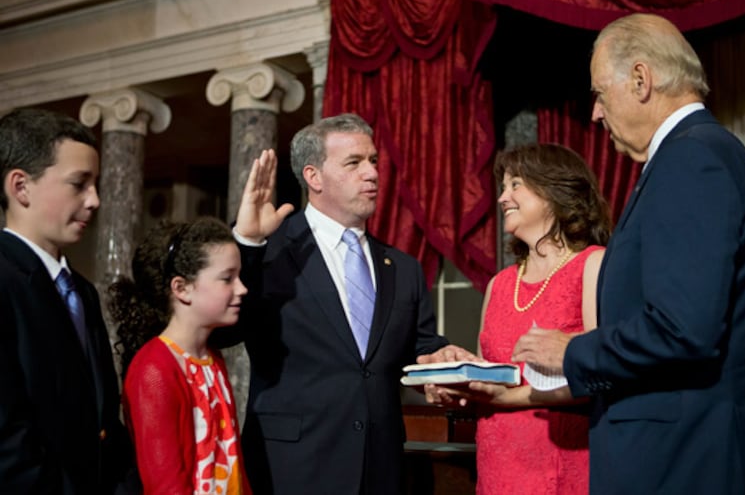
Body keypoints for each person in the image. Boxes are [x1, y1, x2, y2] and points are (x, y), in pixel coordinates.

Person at [512, 13, 745, 494]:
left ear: (641, 79)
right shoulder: (705, 152)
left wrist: (572, 351)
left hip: (683, 460)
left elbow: (683, 329)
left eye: (601, 94)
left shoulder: (692, 158)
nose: (596, 114)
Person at [217, 112, 475, 495]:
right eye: (353, 163)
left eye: (373, 161)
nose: (371, 173)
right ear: (313, 177)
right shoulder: (271, 251)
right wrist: (248, 245)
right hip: (292, 466)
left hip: (381, 465)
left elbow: (415, 348)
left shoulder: (402, 268)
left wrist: (441, 357)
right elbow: (226, 331)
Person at [425, 143, 610, 494]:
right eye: (503, 187)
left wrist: (506, 398)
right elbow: (491, 377)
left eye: (515, 185)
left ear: (554, 190)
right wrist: (455, 383)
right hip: (496, 467)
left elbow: (601, 373)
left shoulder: (592, 265)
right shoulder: (499, 284)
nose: (502, 198)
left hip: (562, 464)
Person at [0, 108, 134, 493]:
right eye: (79, 184)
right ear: (21, 187)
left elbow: (103, 419)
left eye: (96, 184)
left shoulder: (81, 290)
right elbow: (9, 441)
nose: (95, 200)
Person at [109, 217, 252, 494]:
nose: (241, 288)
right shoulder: (155, 368)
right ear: (181, 288)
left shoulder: (212, 357)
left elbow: (233, 464)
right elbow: (165, 484)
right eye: (227, 278)